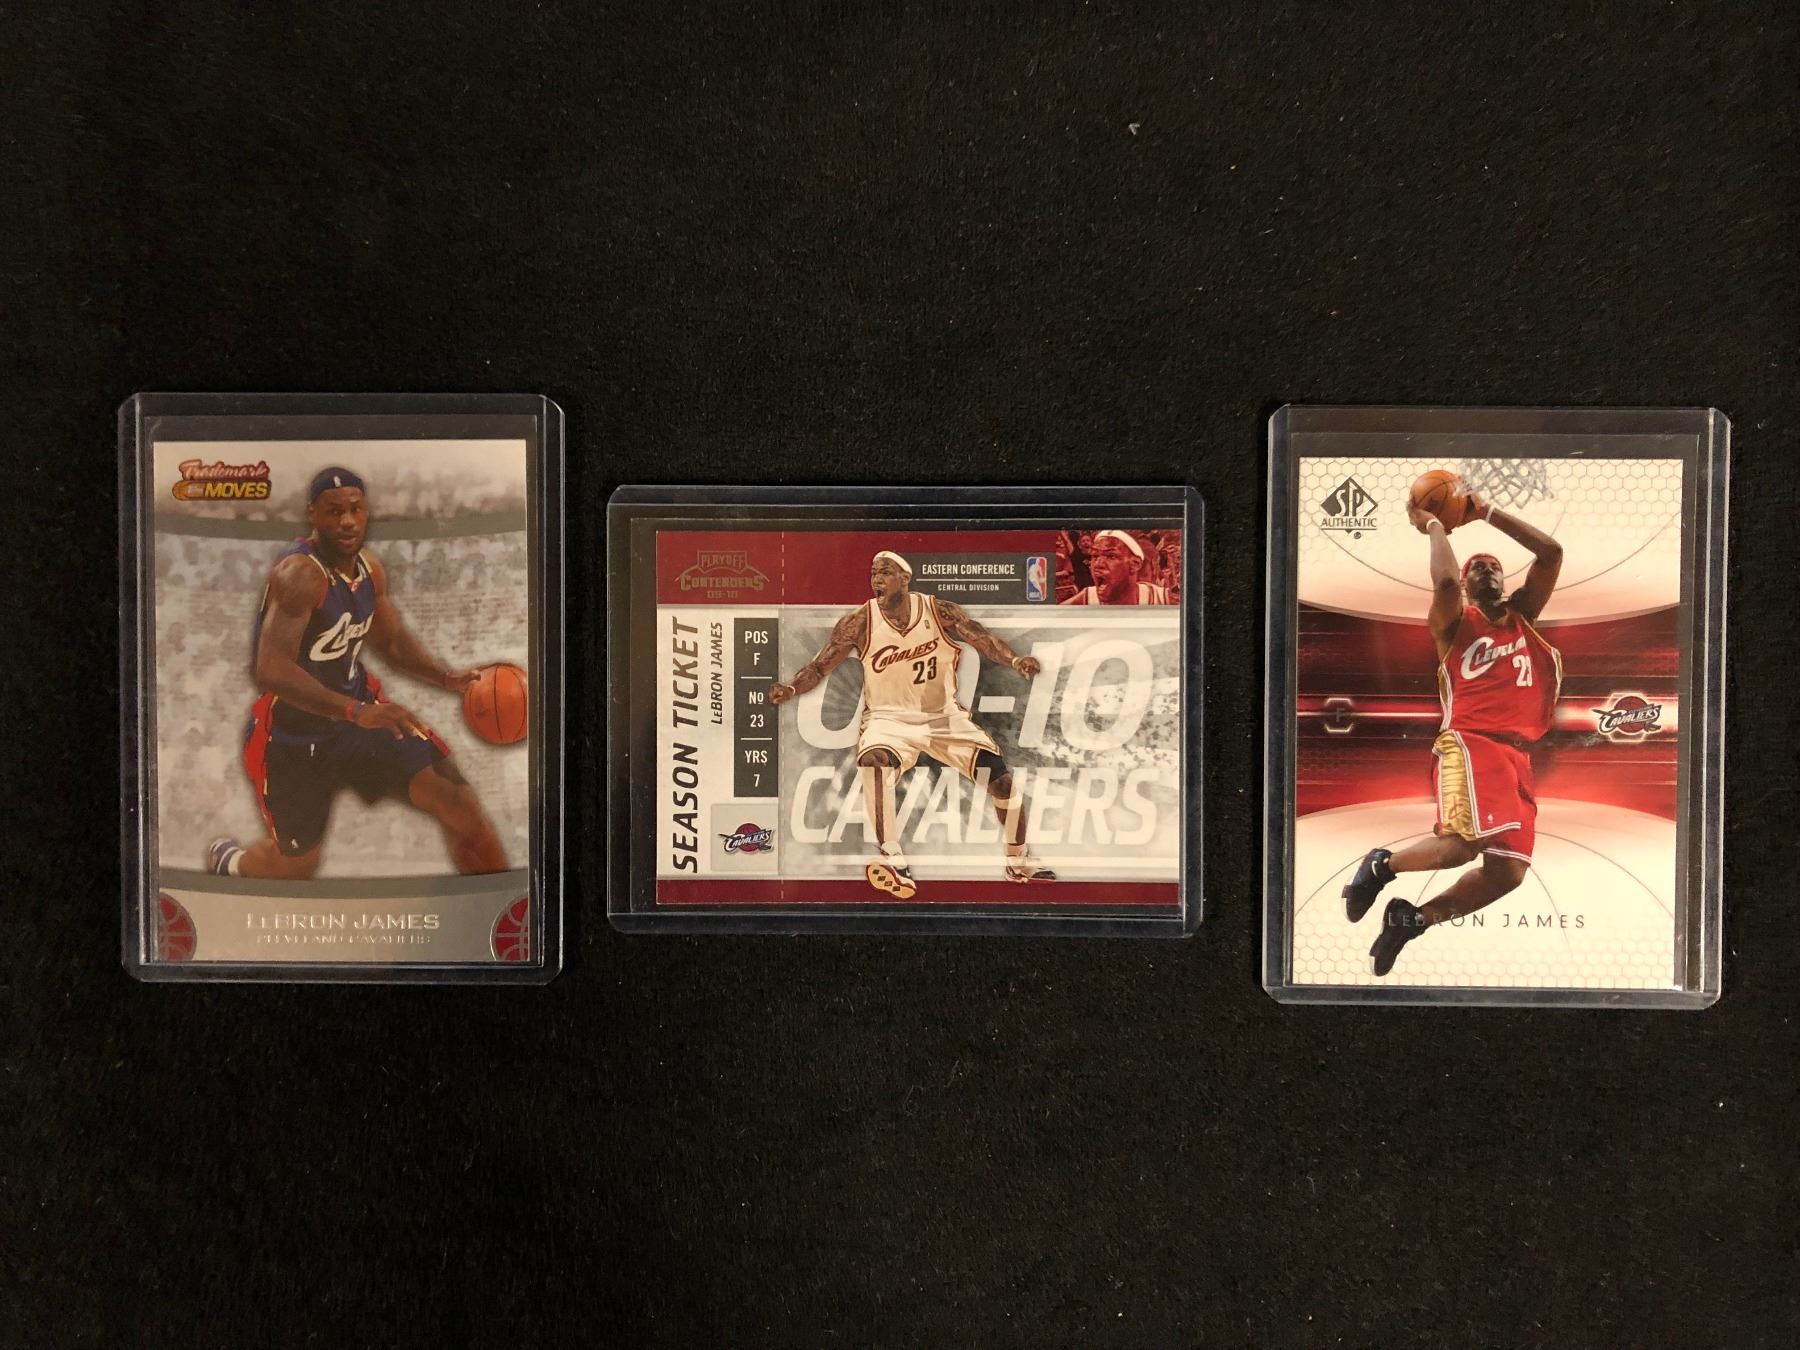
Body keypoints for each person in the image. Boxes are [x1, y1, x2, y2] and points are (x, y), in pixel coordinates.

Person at [207, 467, 506, 879]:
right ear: (313, 514)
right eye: (334, 511)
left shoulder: (369, 569)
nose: (347, 521)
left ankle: (502, 909)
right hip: (293, 736)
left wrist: (446, 678)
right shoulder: (300, 575)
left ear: (367, 512)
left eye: (355, 509)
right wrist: (355, 711)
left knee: (460, 804)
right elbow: (270, 669)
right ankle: (231, 861)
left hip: (359, 719)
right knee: (296, 868)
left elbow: (392, 642)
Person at [1344, 485, 1564, 976]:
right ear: (1466, 584)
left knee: (1509, 873)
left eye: (1493, 566)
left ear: (1505, 580)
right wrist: (1435, 526)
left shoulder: (1524, 617)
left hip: (1518, 756)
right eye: (1475, 568)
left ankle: (1411, 920)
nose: (1486, 571)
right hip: (1472, 742)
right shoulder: (1453, 622)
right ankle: (1381, 865)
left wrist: (1486, 512)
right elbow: (1443, 582)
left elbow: (1551, 553)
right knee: (1461, 846)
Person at [768, 550, 1056, 898]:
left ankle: (1018, 860)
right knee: (874, 760)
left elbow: (982, 639)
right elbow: (819, 666)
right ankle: (892, 857)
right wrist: (791, 688)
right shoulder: (860, 621)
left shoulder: (939, 610)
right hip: (888, 720)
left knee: (1002, 783)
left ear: (905, 578)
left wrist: (1015, 659)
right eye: (873, 573)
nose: (876, 579)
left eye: (884, 572)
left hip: (943, 718)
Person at [1060, 529, 1170, 604]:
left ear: (1135, 564)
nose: (1098, 564)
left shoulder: (1162, 599)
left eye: (1111, 556)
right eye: (1095, 556)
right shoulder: (1087, 598)